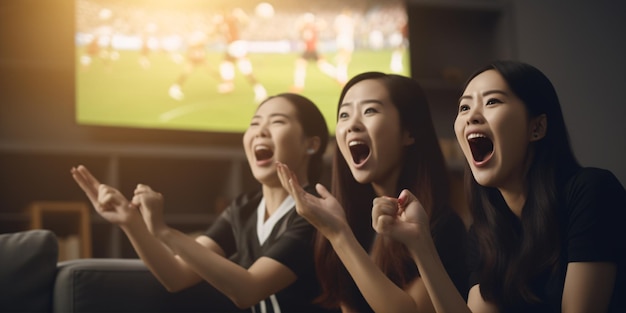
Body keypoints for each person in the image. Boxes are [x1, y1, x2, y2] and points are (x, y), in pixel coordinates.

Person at [372, 60, 626, 312]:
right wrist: (420, 244)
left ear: (536, 127)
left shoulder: (592, 192)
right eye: (464, 107)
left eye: (492, 101)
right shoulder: (486, 232)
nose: (471, 116)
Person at [71, 93, 333, 312]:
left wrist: (163, 231)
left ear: (311, 145)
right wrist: (131, 222)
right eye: (254, 123)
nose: (260, 131)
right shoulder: (243, 208)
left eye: (277, 122)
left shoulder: (315, 213)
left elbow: (248, 290)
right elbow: (176, 275)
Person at [276, 72, 469, 312]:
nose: (352, 125)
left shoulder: (441, 227)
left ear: (408, 132)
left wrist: (338, 235)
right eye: (344, 115)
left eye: (369, 111)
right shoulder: (354, 219)